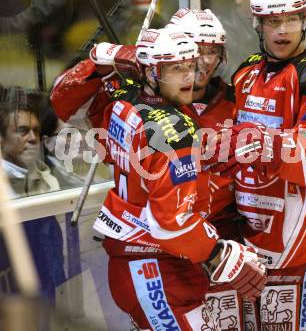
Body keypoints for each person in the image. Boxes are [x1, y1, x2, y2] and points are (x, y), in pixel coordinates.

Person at [50, 26, 267, 330]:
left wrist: (101, 59)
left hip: (140, 261)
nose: (189, 76)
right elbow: (172, 224)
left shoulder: (123, 98)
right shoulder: (173, 130)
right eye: (175, 69)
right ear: (151, 72)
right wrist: (218, 252)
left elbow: (62, 97)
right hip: (155, 266)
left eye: (190, 66)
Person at [205, 0, 306, 330]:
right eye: (272, 21)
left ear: (305, 21)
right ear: (259, 24)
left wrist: (260, 141)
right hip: (252, 243)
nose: (282, 30)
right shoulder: (246, 73)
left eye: (290, 19)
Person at [169, 8, 245, 329]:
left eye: (213, 51)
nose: (205, 61)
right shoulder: (156, 104)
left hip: (228, 244)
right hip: (175, 249)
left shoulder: (236, 97)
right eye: (198, 51)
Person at [0, 86, 65, 302]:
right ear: (2, 138)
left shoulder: (45, 180)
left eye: (36, 131)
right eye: (22, 130)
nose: (32, 138)